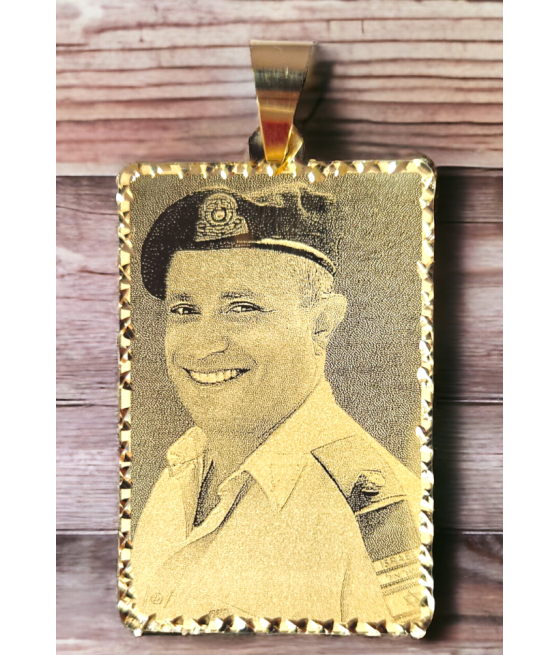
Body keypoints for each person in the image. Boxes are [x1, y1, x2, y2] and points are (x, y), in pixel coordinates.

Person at [132, 186, 422, 625]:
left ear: (321, 325)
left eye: (241, 308)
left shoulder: (374, 518)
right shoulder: (182, 472)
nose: (203, 345)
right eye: (185, 310)